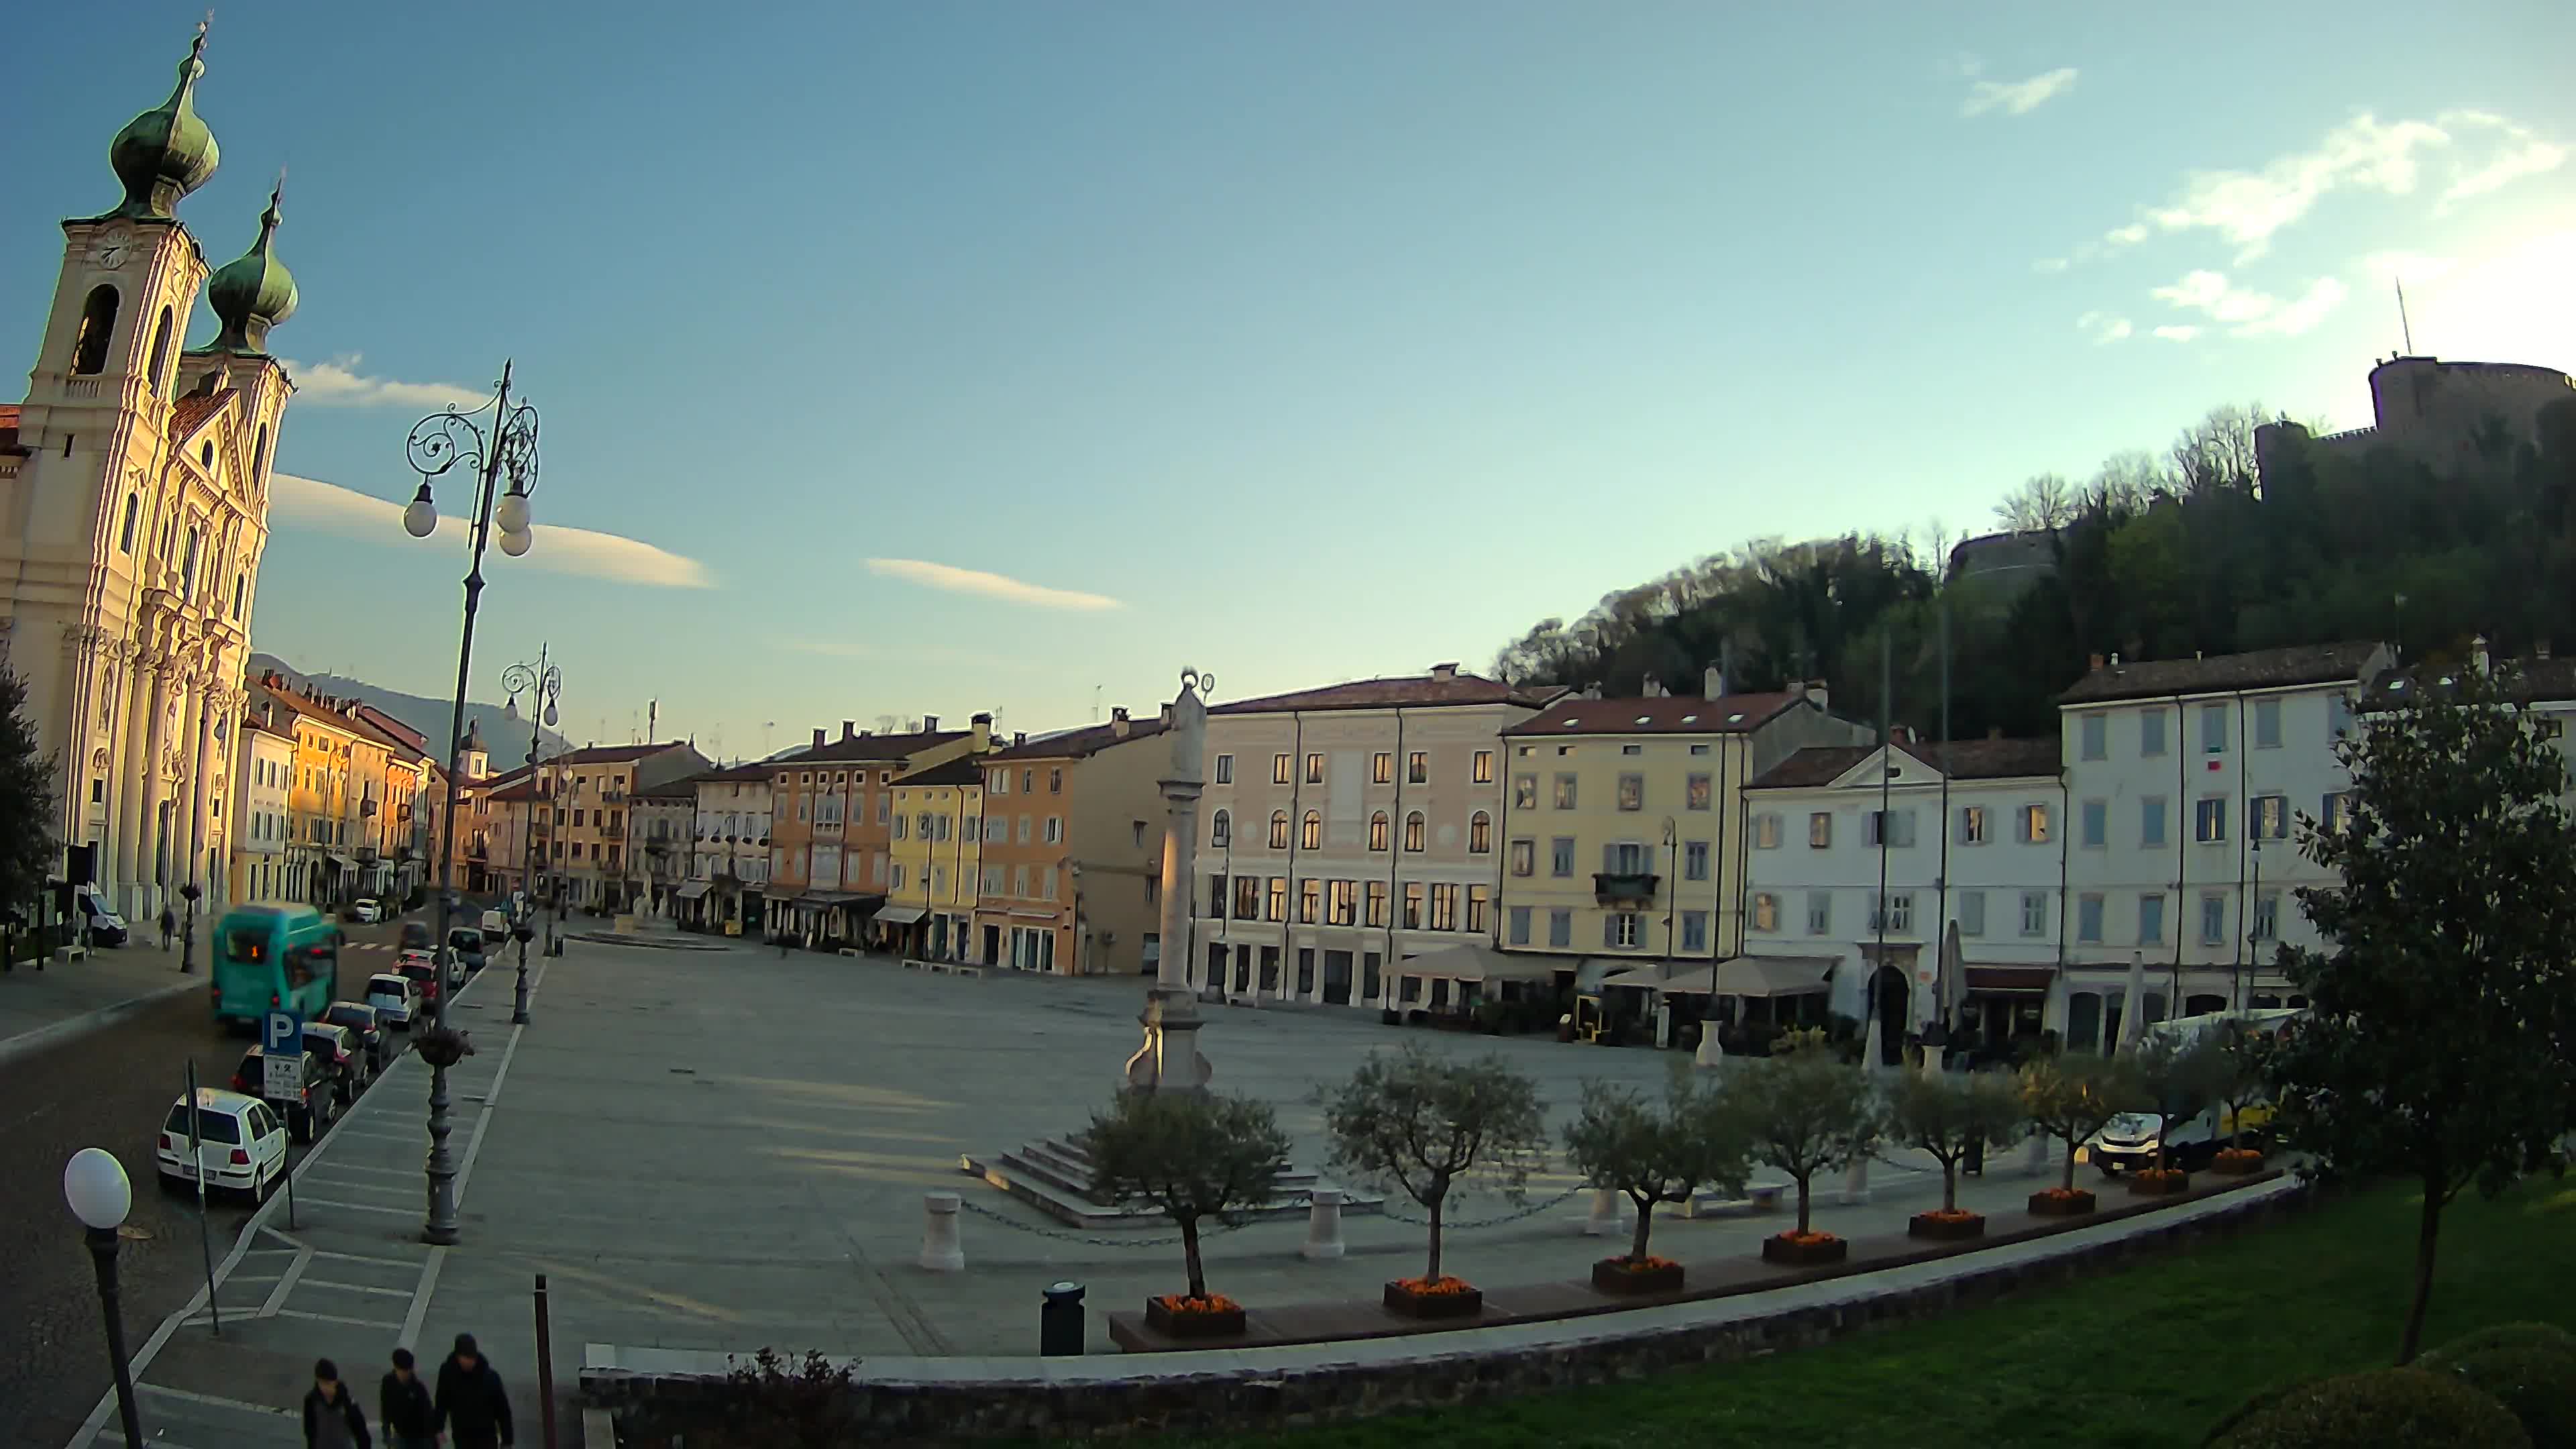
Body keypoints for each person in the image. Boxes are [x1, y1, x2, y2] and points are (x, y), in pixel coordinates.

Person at [435, 1333, 515, 1449]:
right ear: (458, 1356)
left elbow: (503, 1410)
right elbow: (441, 1400)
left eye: (472, 1358)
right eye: (466, 1358)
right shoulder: (448, 1372)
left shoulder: (489, 1378)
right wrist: (438, 1427)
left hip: (486, 1436)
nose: (470, 1362)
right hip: (462, 1435)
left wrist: (507, 1441)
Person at [305, 1358, 372, 1449]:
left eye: (329, 1384)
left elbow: (362, 1433)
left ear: (335, 1382)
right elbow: (310, 1432)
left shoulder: (347, 1402)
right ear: (317, 1381)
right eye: (322, 1383)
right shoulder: (311, 1400)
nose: (325, 1388)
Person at [381, 1346, 437, 1449]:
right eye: (404, 1371)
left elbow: (428, 1415)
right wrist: (386, 1431)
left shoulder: (418, 1389)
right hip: (400, 1435)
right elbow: (385, 1407)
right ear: (396, 1368)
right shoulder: (388, 1382)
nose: (407, 1374)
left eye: (409, 1370)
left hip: (420, 1436)